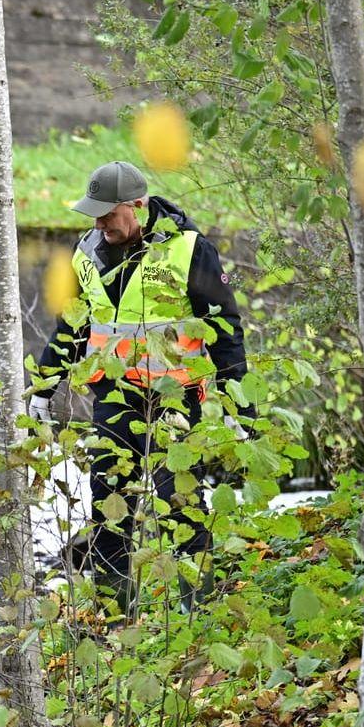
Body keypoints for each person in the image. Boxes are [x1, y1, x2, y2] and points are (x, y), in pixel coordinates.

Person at [30, 161, 252, 614]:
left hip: (175, 397)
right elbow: (70, 328)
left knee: (179, 500)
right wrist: (41, 389)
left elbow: (226, 328)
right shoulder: (86, 252)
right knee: (109, 500)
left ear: (138, 205)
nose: (99, 223)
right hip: (112, 397)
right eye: (93, 214)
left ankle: (199, 609)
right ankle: (115, 612)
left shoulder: (190, 250)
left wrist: (239, 405)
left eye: (108, 214)